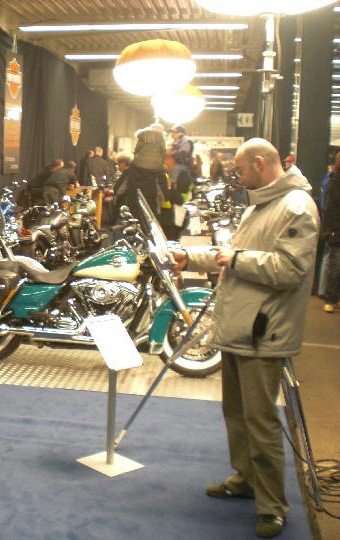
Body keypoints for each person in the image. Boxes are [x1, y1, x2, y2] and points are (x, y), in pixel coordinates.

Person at [169, 138, 319, 539]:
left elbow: (290, 269)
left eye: (240, 170)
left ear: (259, 162)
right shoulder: (261, 205)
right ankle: (245, 479)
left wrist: (236, 259)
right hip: (240, 328)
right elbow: (232, 253)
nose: (237, 177)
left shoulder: (297, 207)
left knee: (261, 421)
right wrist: (192, 258)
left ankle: (272, 507)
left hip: (264, 333)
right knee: (236, 414)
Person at [322, 159, 340, 312]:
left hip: (335, 231)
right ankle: (329, 299)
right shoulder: (333, 183)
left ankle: (336, 298)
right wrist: (333, 230)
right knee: (335, 267)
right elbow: (329, 210)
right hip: (336, 233)